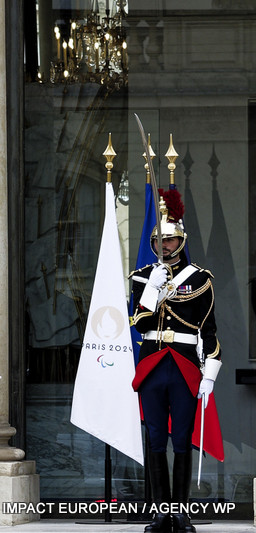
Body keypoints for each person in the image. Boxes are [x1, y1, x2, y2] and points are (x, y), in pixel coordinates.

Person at [130, 191, 221, 533]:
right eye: (159, 241)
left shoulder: (199, 280)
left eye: (169, 240)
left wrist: (210, 373)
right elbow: (138, 325)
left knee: (181, 439)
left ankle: (180, 512)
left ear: (181, 240)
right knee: (155, 439)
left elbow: (209, 331)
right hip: (152, 365)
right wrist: (151, 290)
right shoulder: (142, 277)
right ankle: (160, 513)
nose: (163, 246)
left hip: (184, 366)